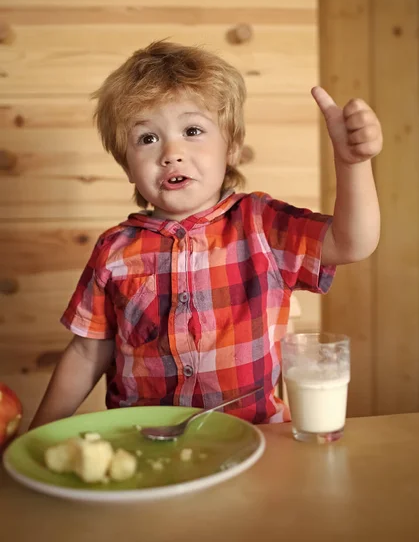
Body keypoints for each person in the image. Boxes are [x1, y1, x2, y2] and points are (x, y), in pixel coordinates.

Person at [29, 40, 382, 429]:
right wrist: (37, 437)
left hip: (257, 441)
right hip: (146, 444)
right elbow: (85, 352)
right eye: (147, 138)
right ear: (127, 166)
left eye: (192, 130)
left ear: (231, 147)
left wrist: (352, 165)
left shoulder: (261, 224)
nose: (171, 152)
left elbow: (353, 242)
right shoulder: (114, 250)